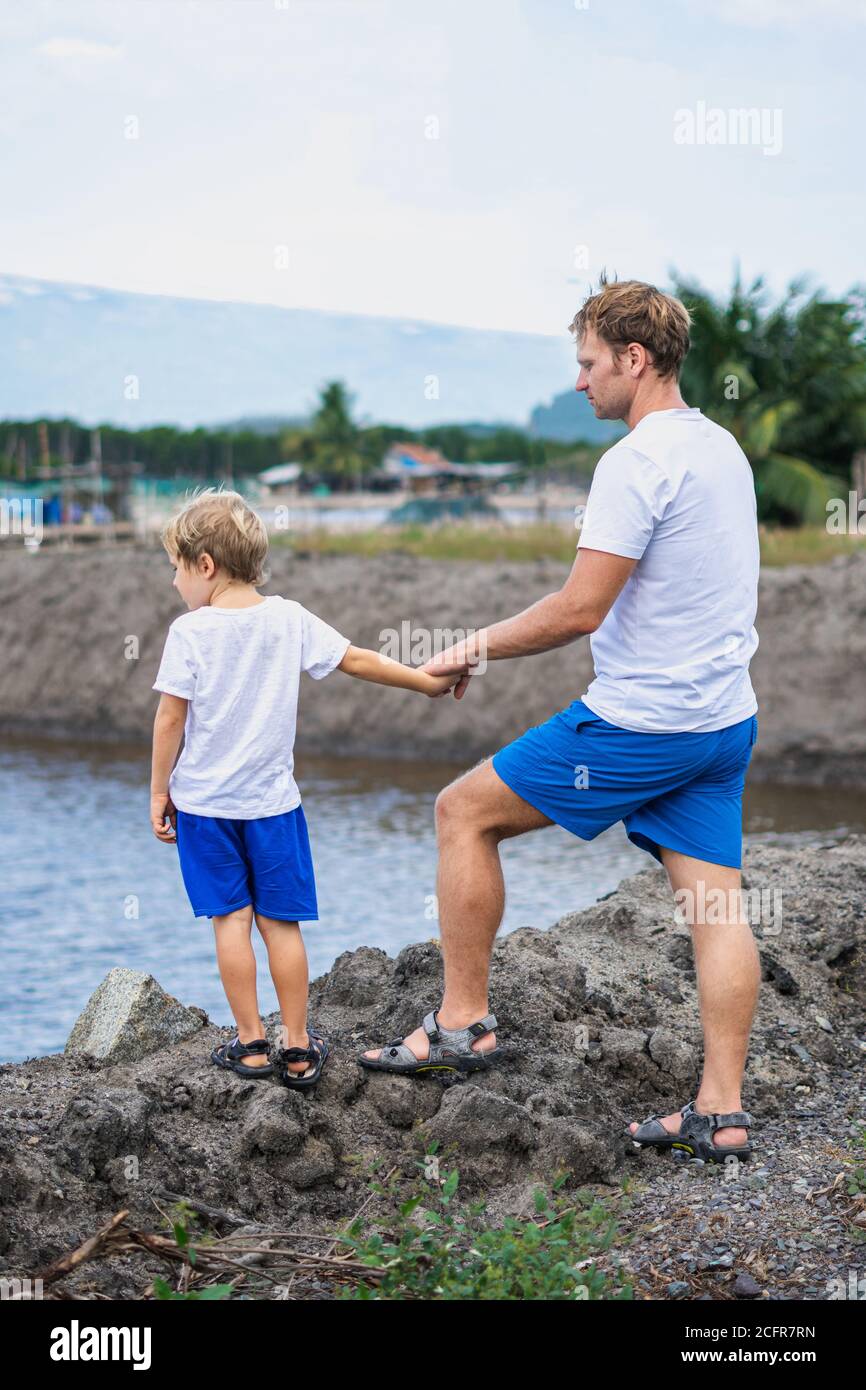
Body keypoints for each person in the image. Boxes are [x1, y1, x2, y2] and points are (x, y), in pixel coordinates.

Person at [359, 277, 761, 1166]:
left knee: (463, 812)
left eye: (587, 364)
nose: (579, 382)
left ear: (633, 358)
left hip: (642, 726)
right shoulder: (722, 447)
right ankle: (721, 1113)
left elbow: (580, 609)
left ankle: (464, 1022)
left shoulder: (636, 461)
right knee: (716, 905)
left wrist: (475, 647)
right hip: (722, 721)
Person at [150, 488, 456, 1088]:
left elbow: (169, 719)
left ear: (205, 565)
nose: (175, 583)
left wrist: (159, 791)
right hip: (273, 807)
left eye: (176, 569)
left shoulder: (190, 632)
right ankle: (296, 1044)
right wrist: (424, 682)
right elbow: (359, 660)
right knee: (279, 925)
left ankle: (250, 1045)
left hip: (206, 810)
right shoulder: (289, 618)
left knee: (229, 921)